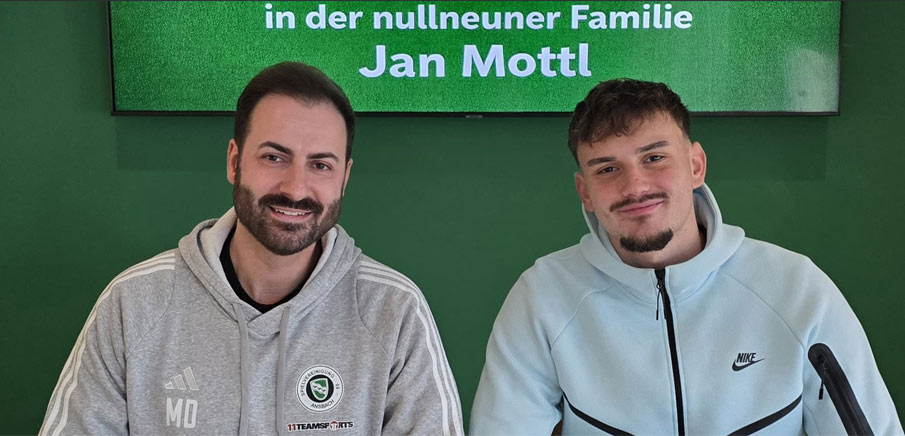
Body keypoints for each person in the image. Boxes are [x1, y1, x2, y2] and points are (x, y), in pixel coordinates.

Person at [40, 62, 463, 436]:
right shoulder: (133, 303)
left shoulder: (395, 310)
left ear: (344, 178)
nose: (296, 188)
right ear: (234, 161)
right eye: (274, 157)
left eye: (320, 165)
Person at [470, 79, 902, 435]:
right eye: (607, 169)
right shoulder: (542, 296)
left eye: (654, 157)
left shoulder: (796, 288)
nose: (635, 187)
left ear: (696, 165)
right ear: (585, 192)